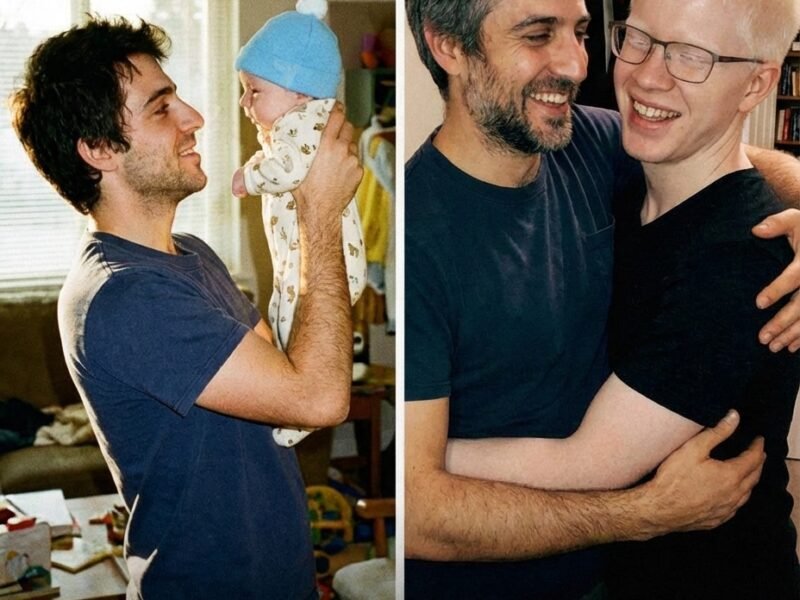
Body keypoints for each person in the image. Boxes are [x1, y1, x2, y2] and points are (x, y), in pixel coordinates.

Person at [404, 0, 800, 598]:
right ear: (449, 45)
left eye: (582, 33)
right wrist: (644, 513)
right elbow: (418, 513)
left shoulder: (584, 145)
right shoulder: (419, 235)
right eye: (538, 34)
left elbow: (709, 152)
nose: (576, 64)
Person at [11, 16, 360, 599]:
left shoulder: (192, 255)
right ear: (99, 149)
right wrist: (318, 214)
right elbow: (320, 398)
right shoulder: (125, 295)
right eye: (161, 108)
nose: (194, 117)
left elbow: (293, 369)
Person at [231, 0, 367, 447]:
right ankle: (291, 393)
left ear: (299, 93)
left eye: (254, 91)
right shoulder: (300, 123)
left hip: (322, 258)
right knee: (281, 321)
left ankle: (300, 413)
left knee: (293, 325)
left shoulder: (304, 124)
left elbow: (288, 169)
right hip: (305, 256)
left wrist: (247, 178)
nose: (244, 102)